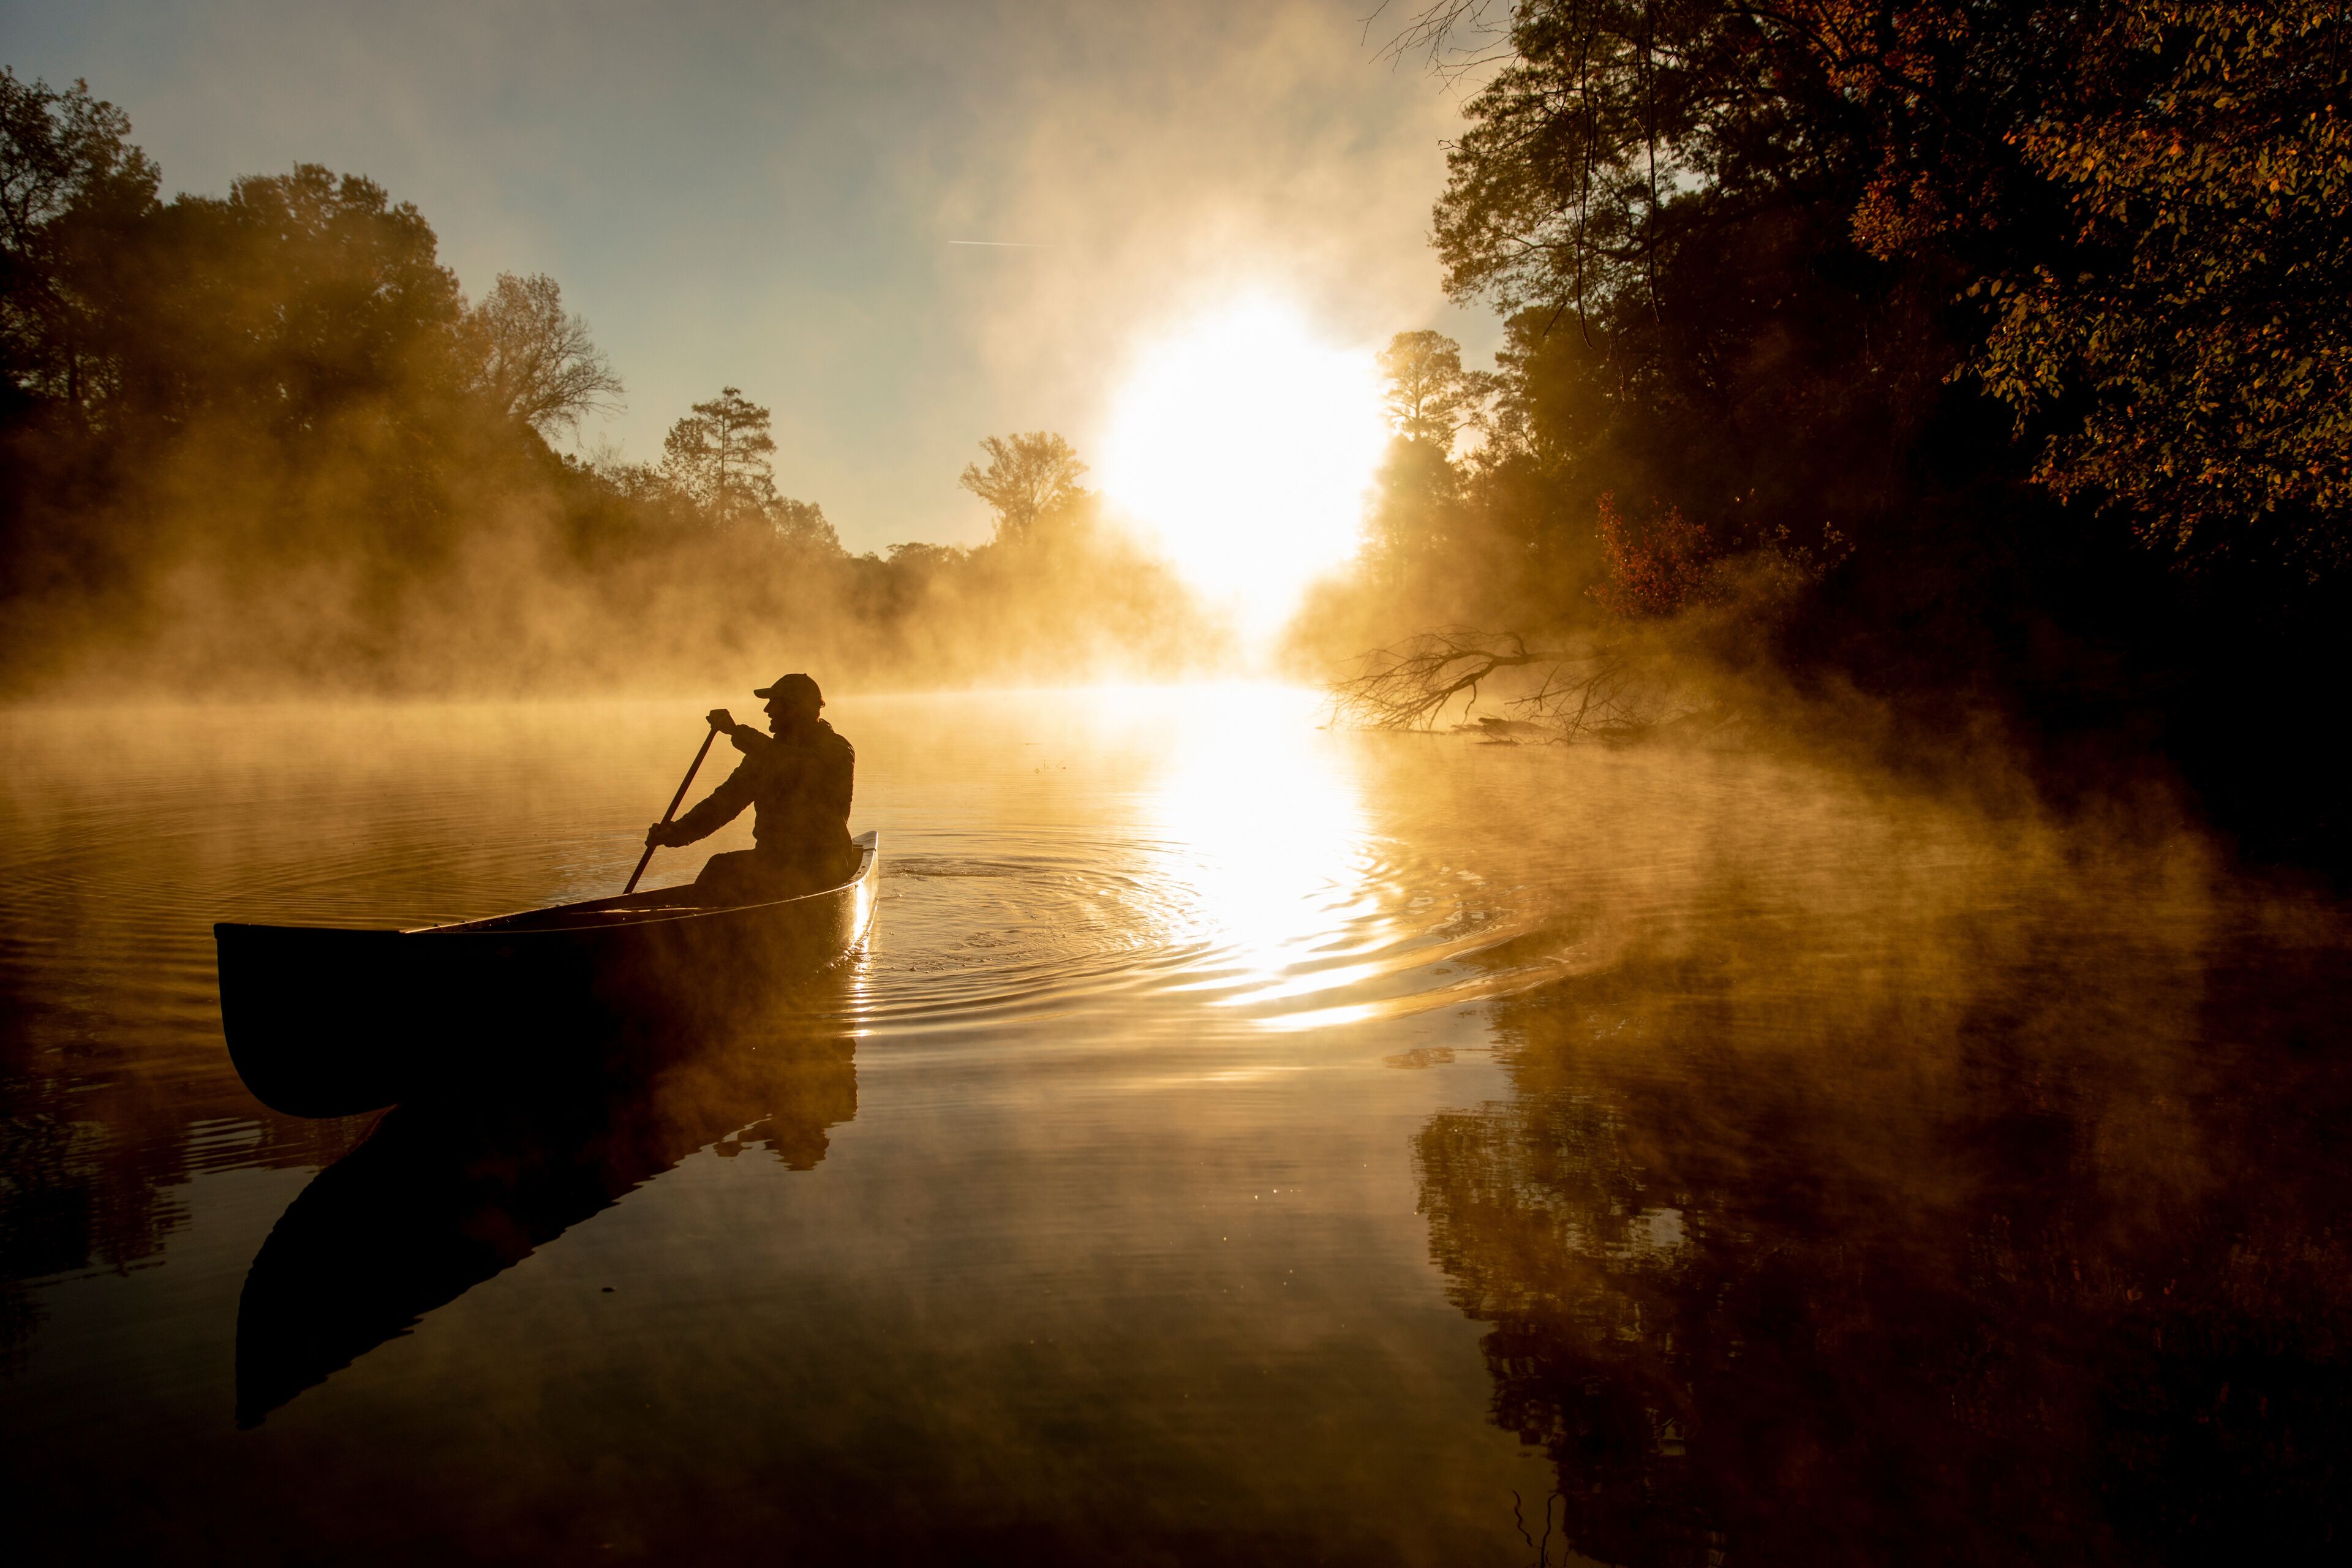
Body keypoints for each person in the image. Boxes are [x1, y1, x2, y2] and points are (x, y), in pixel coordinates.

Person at [646, 673, 858, 903]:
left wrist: (737, 732)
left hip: (822, 863)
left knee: (720, 871)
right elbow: (725, 803)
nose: (767, 710)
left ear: (793, 709)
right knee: (720, 868)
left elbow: (797, 766)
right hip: (774, 861)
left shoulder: (836, 751)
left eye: (773, 703)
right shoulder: (764, 758)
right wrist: (675, 833)